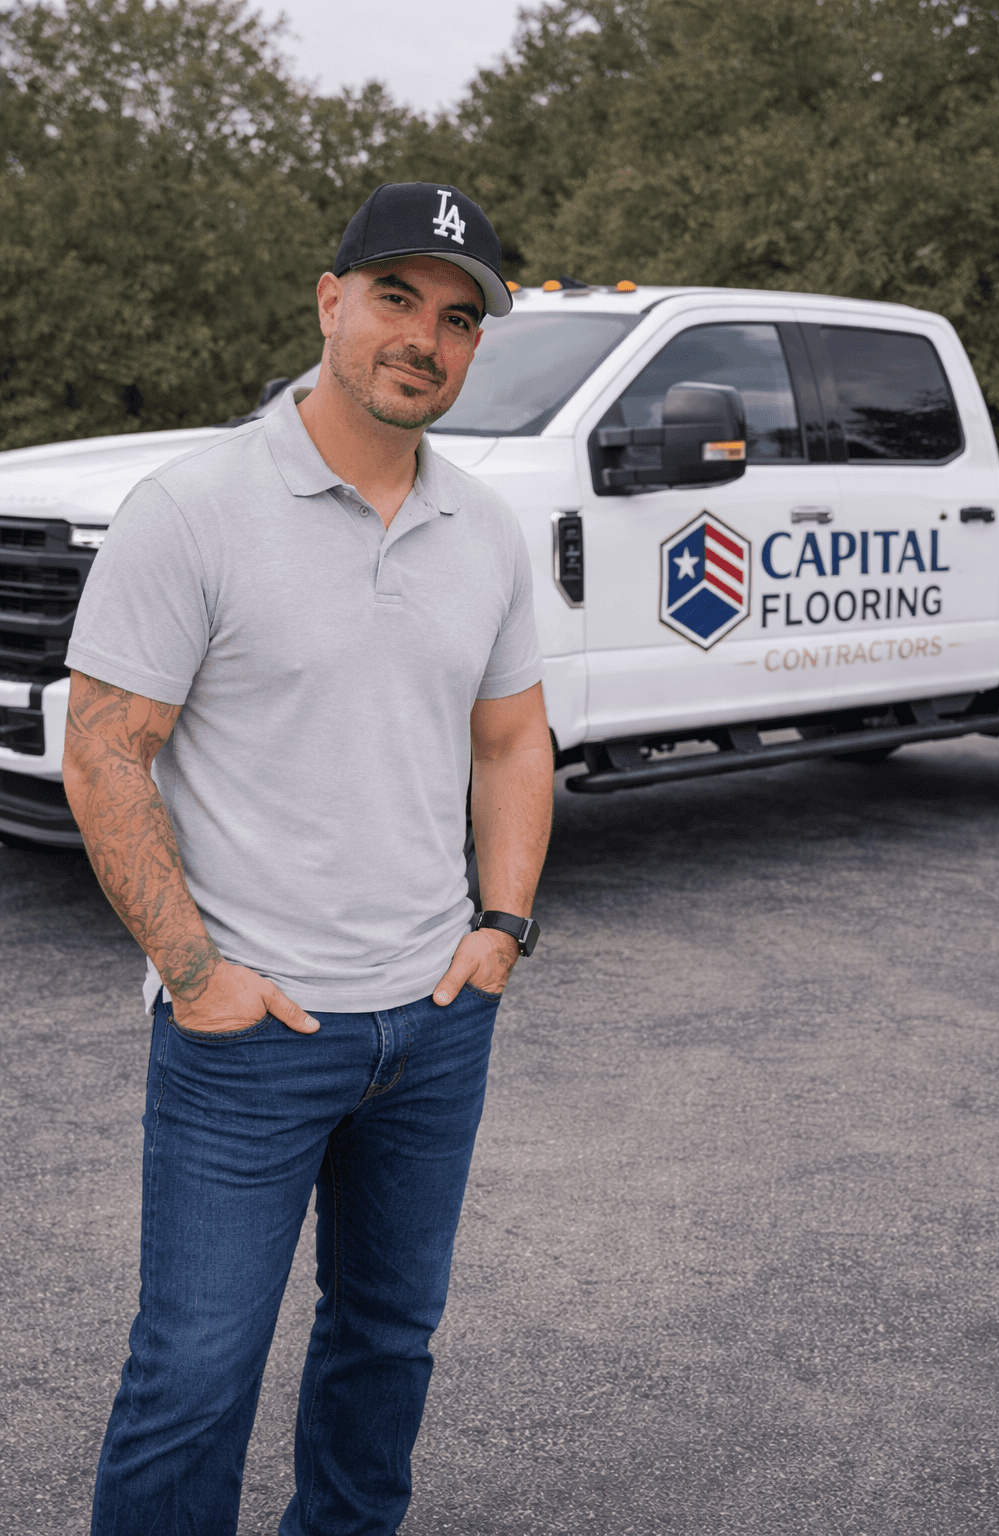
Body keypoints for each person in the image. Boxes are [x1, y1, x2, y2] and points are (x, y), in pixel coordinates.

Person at [63, 181, 553, 1536]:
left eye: (458, 318)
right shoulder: (197, 509)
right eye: (396, 298)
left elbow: (514, 743)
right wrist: (195, 972)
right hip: (251, 1034)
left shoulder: (484, 530)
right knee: (195, 1377)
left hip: (435, 1022)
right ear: (329, 302)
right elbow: (106, 752)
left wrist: (500, 924)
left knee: (387, 1344)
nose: (426, 337)